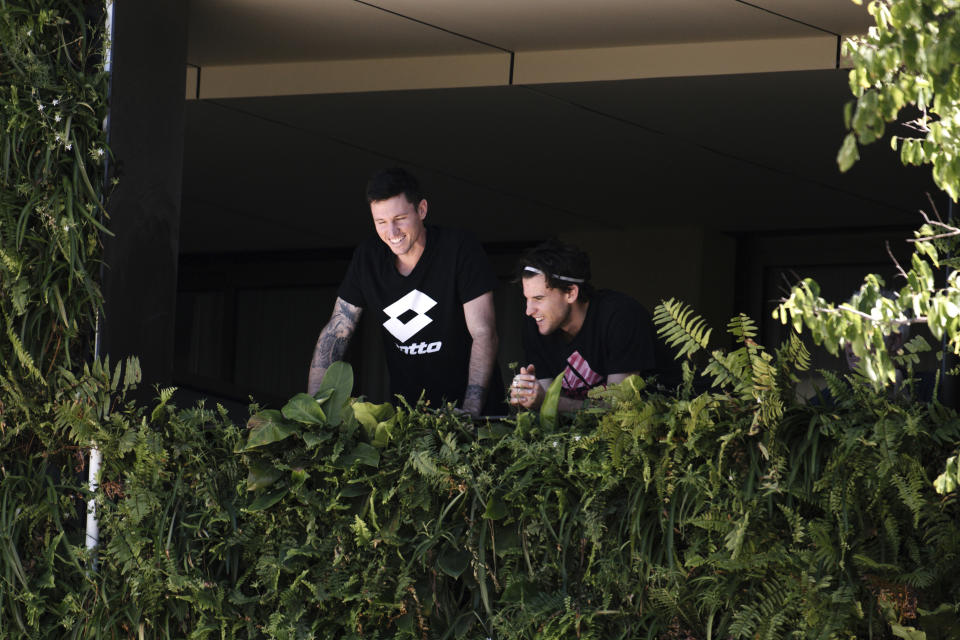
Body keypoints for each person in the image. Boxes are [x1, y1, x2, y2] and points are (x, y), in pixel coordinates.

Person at [307, 167, 502, 416]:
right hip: (408, 422)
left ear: (421, 210)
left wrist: (471, 411)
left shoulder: (458, 249)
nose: (392, 232)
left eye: (399, 219)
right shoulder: (368, 259)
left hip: (475, 421)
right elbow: (336, 332)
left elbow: (485, 333)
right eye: (381, 222)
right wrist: (312, 413)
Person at [509, 239, 668, 412]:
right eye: (527, 299)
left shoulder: (620, 316)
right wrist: (529, 395)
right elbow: (548, 413)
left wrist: (549, 403)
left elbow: (620, 410)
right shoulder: (537, 325)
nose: (529, 310)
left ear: (571, 293)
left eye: (538, 298)